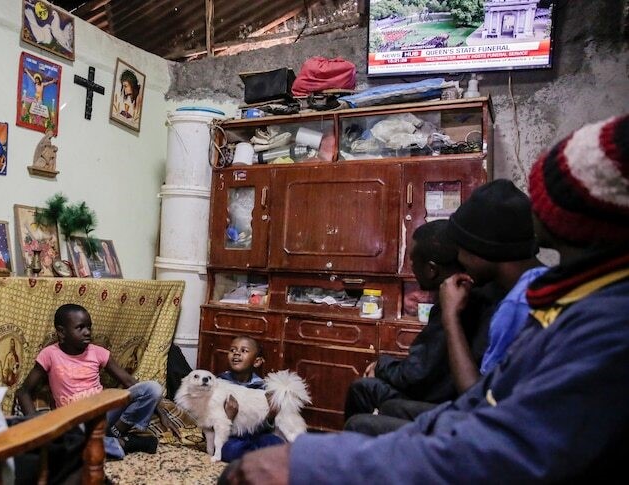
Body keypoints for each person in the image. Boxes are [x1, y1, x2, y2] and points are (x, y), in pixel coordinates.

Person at [220, 115, 629, 484]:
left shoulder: (602, 322)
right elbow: (480, 404)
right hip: (464, 420)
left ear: (560, 220)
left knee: (362, 418)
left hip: (473, 441)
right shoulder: (569, 298)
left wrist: (317, 461)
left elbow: (499, 444)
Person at [342, 220, 499, 435]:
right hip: (450, 399)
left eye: (413, 261)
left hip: (449, 407)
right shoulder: (478, 292)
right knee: (365, 390)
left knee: (362, 403)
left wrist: (381, 366)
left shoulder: (457, 304)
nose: (411, 268)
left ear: (431, 269)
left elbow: (415, 376)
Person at [15, 304, 178, 459]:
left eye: (89, 327)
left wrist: (162, 414)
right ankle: (126, 443)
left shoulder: (98, 352)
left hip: (104, 414)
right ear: (61, 332)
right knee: (62, 444)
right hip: (74, 422)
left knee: (153, 388)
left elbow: (130, 382)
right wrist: (35, 425)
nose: (87, 332)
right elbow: (23, 391)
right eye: (80, 327)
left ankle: (116, 432)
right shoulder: (49, 354)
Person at [439, 179, 547, 393]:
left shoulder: (520, 304)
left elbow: (476, 399)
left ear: (481, 251)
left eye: (461, 249)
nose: (459, 259)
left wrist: (450, 315)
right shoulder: (544, 279)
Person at [216, 336, 284, 462]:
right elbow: (212, 421)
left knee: (277, 443)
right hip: (233, 436)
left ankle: (252, 458)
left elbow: (265, 428)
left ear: (257, 362)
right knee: (231, 449)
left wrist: (271, 415)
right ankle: (257, 459)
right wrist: (228, 417)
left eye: (244, 351)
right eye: (232, 350)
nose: (236, 353)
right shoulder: (219, 384)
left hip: (256, 435)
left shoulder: (263, 388)